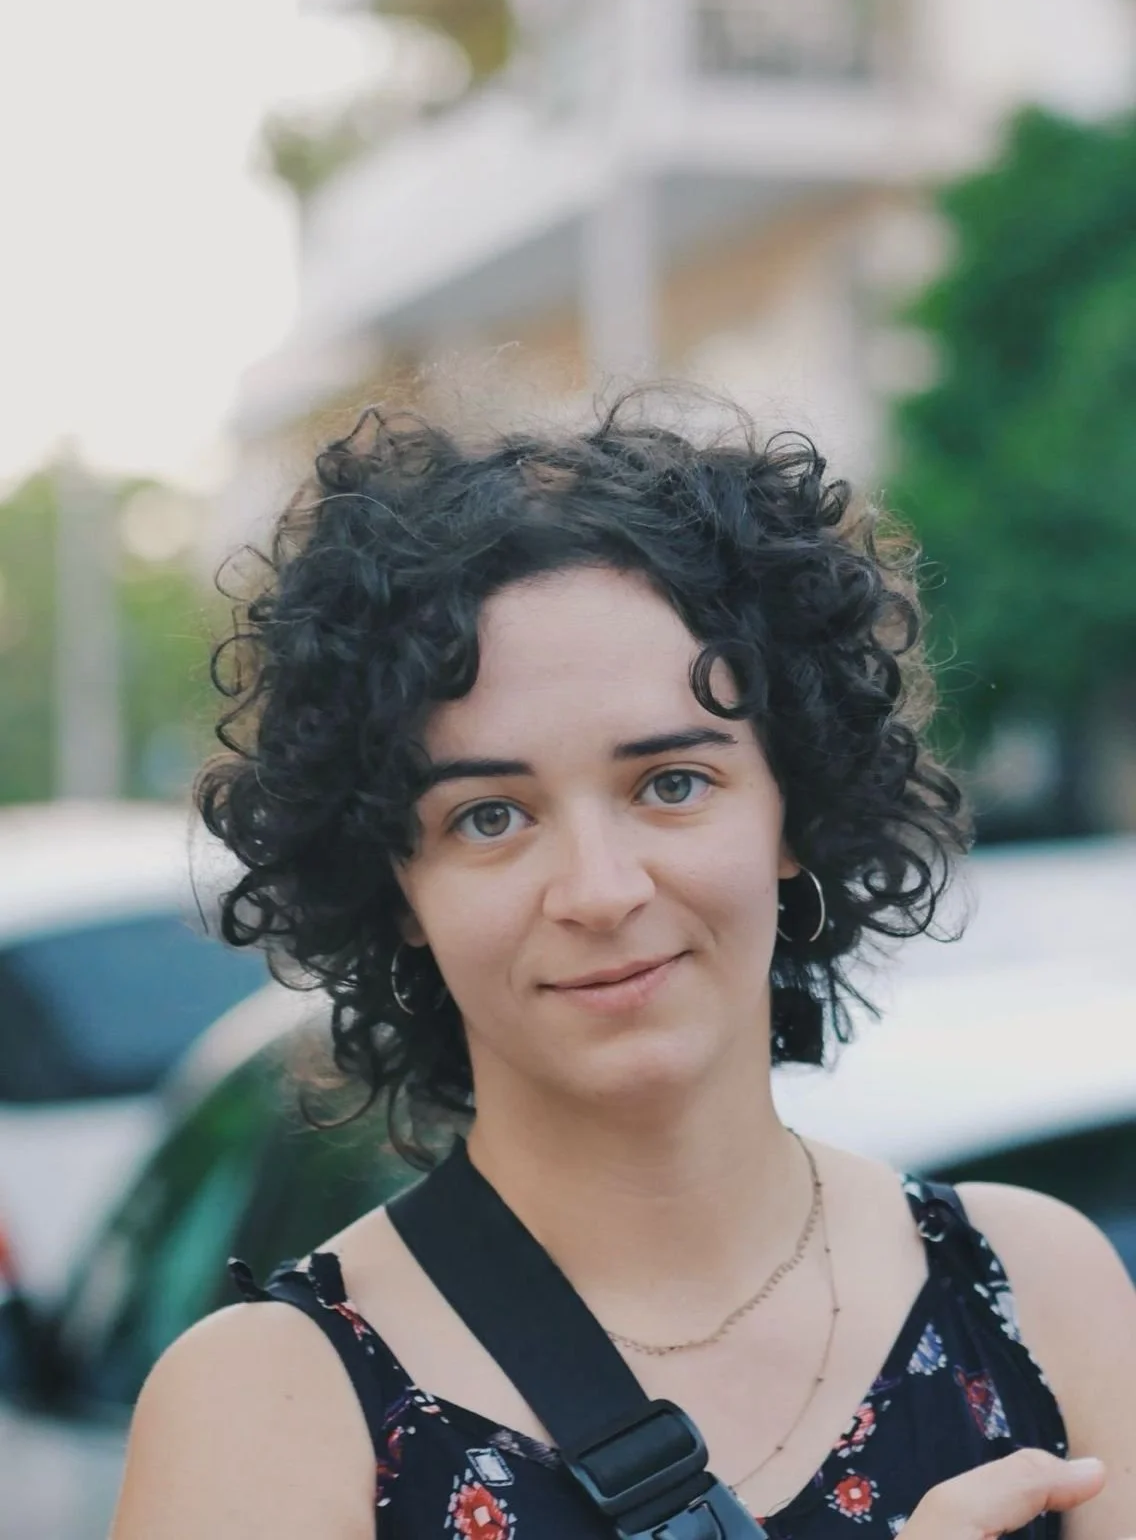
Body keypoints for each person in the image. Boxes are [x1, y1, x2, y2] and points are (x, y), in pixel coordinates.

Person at [111, 400, 1136, 1540]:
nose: (599, 890)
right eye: (490, 814)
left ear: (791, 808)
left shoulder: (1037, 1287)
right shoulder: (267, 1406)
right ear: (396, 883)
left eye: (670, 784)